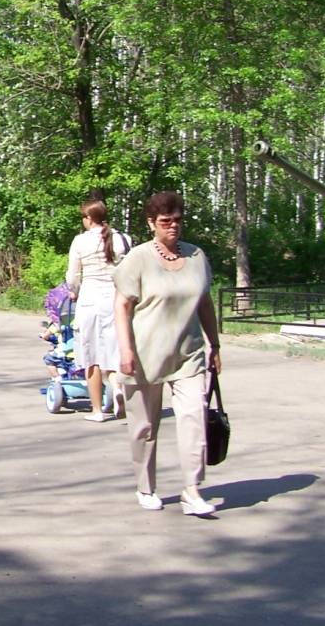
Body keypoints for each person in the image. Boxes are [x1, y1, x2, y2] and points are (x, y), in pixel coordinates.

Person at [112, 191, 222, 515]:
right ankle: (146, 487)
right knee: (144, 427)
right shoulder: (138, 259)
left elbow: (205, 303)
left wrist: (215, 344)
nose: (173, 226)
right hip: (145, 354)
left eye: (177, 220)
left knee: (194, 418)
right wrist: (126, 350)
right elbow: (121, 305)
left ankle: (192, 490)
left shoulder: (196, 257)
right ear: (151, 223)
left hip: (188, 353)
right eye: (165, 221)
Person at [65, 199, 131, 422]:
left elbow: (73, 276)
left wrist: (73, 291)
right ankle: (118, 389)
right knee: (114, 352)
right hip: (116, 299)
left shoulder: (80, 241)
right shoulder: (122, 238)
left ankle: (97, 410)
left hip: (90, 299)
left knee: (91, 355)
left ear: (89, 218)